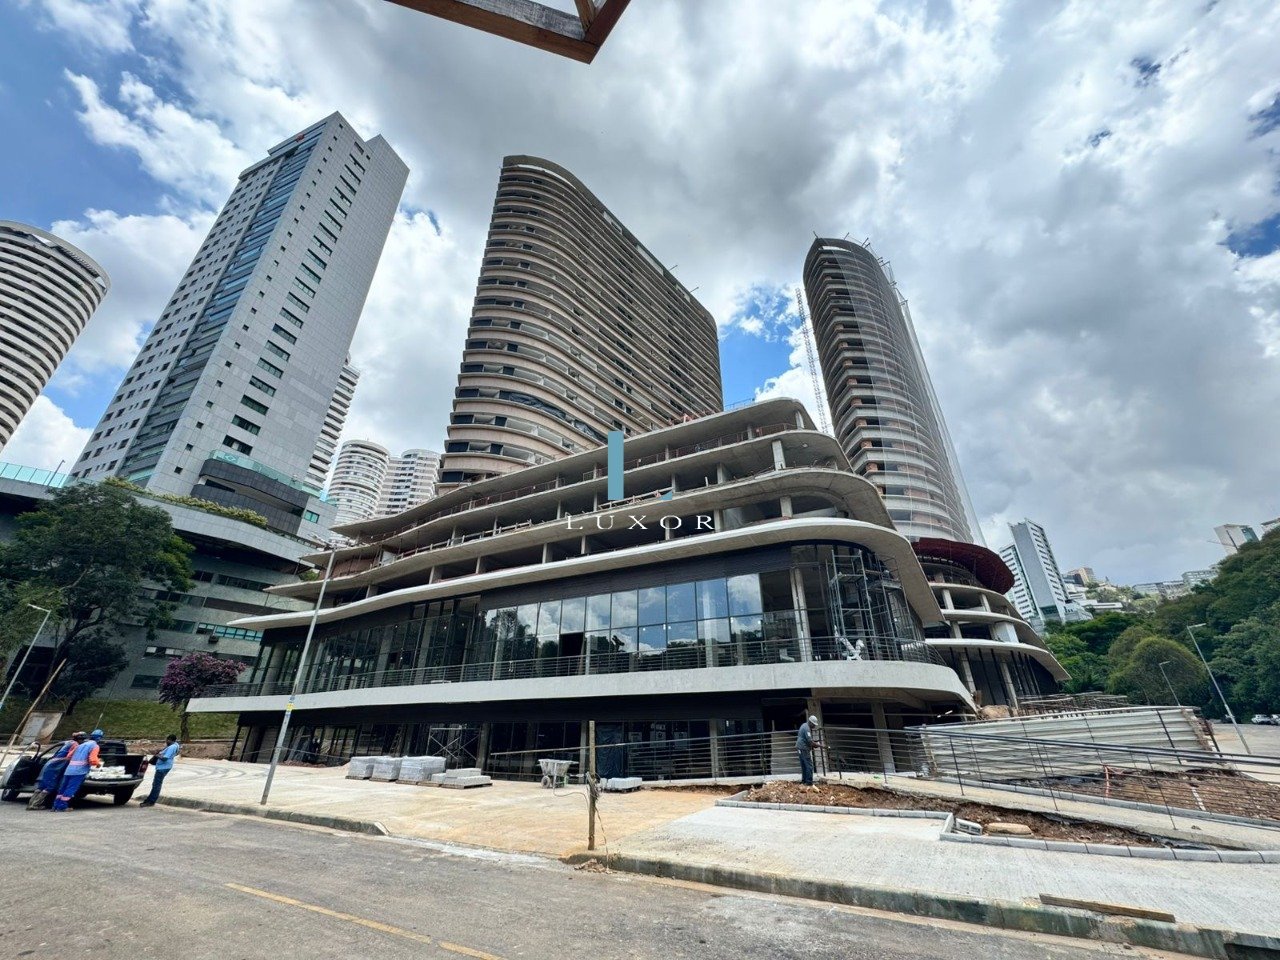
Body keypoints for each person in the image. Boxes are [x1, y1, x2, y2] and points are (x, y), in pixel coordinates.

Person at [28, 732, 85, 810]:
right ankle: (35, 805)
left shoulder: (68, 742)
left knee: (42, 786)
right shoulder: (75, 745)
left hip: (51, 764)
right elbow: (70, 756)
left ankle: (31, 804)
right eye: (82, 739)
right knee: (50, 787)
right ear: (80, 739)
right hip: (57, 765)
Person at [53, 729, 103, 811]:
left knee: (63, 787)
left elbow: (69, 756)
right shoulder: (95, 746)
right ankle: (62, 806)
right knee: (71, 788)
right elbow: (93, 760)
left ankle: (55, 805)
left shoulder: (80, 745)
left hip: (69, 770)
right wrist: (98, 764)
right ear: (99, 738)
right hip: (79, 771)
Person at [140, 734, 180, 807]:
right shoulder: (175, 745)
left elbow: (165, 758)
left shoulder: (172, 747)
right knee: (156, 784)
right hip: (165, 766)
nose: (166, 741)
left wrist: (156, 755)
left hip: (163, 768)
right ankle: (149, 800)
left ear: (170, 740)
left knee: (156, 785)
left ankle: (151, 801)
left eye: (167, 740)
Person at [796, 715, 820, 788]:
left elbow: (807, 740)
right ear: (810, 722)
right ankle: (809, 782)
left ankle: (804, 781)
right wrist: (816, 745)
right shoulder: (807, 729)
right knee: (809, 765)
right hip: (804, 748)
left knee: (804, 765)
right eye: (814, 724)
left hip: (799, 747)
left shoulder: (804, 725)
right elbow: (810, 741)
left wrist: (814, 743)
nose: (814, 726)